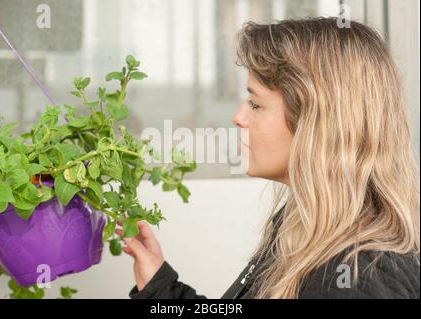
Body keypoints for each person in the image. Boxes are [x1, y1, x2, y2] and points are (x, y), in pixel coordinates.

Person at [116, 17, 420, 299]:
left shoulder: (356, 279)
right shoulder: (307, 225)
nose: (238, 117)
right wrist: (158, 286)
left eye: (255, 104)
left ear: (315, 123)